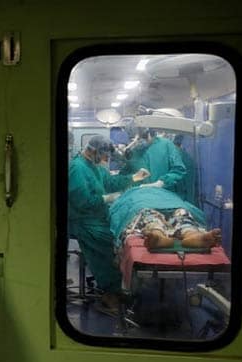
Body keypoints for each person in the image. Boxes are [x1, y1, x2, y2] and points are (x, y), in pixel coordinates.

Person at [68, 135, 149, 312]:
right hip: (83, 222)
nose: (106, 159)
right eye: (104, 155)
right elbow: (81, 202)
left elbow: (111, 182)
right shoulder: (77, 168)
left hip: (98, 217)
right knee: (110, 247)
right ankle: (109, 293)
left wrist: (133, 178)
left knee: (119, 240)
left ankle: (119, 288)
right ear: (93, 151)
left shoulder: (95, 166)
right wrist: (106, 198)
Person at [109, 186, 221, 251]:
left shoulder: (135, 192)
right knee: (181, 214)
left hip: (162, 202)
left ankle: (160, 235)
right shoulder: (132, 192)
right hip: (159, 203)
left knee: (151, 215)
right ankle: (190, 233)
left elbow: (117, 209)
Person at [123, 129, 187, 192]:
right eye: (138, 138)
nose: (140, 141)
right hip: (141, 194)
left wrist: (162, 182)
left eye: (144, 136)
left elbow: (179, 170)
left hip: (164, 193)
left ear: (151, 134)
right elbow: (126, 174)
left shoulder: (166, 145)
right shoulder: (136, 151)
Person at [173, 134, 199, 205]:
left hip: (183, 197)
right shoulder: (186, 157)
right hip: (185, 196)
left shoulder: (181, 157)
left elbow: (185, 185)